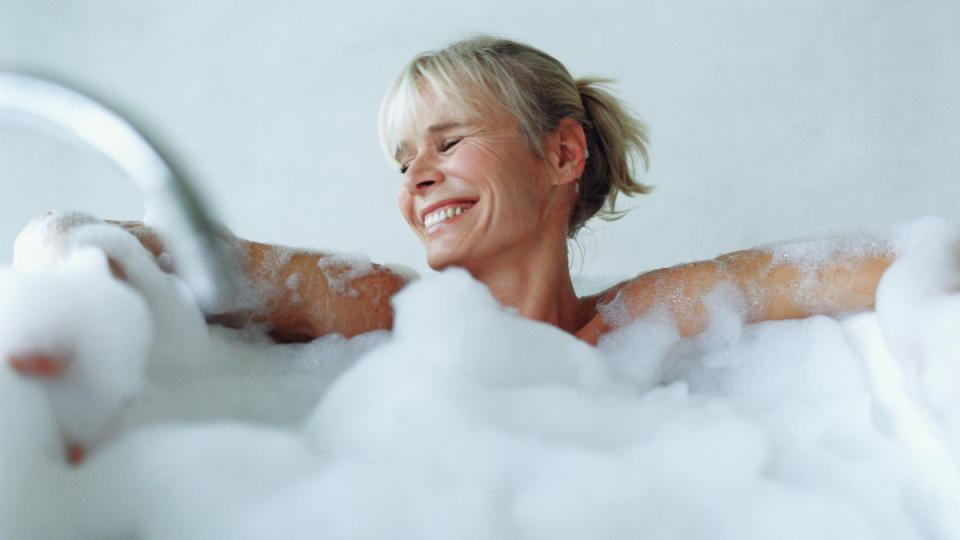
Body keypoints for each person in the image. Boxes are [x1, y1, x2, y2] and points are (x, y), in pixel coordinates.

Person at [15, 35, 895, 350]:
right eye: (403, 161)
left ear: (561, 154)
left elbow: (877, 266)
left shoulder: (635, 324)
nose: (418, 176)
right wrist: (58, 257)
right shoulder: (389, 311)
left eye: (448, 141)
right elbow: (164, 253)